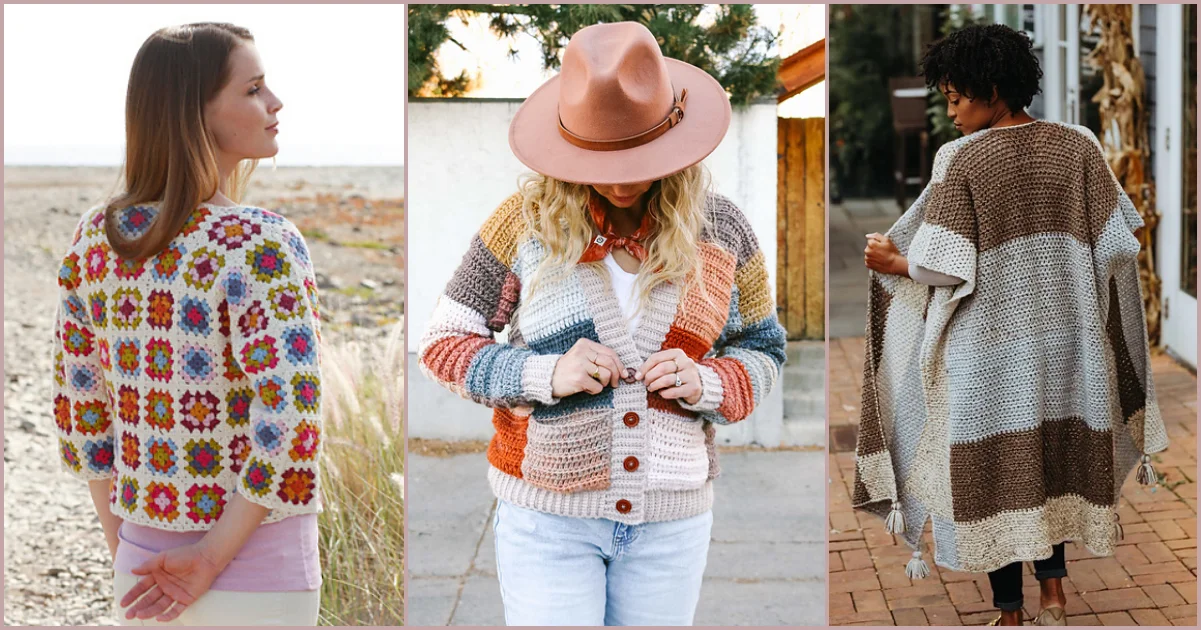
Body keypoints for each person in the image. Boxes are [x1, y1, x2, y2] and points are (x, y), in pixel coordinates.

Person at [418, 21, 787, 627]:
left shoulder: (722, 231)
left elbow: (765, 350)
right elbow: (443, 345)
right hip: (547, 520)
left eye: (637, 156)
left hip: (672, 521)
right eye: (600, 156)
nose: (618, 178)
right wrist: (544, 373)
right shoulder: (525, 223)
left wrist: (710, 383)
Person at [853, 24, 1167, 627]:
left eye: (955, 97)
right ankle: (1054, 597)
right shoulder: (1078, 145)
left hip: (989, 353)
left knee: (997, 472)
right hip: (1069, 350)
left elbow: (944, 267)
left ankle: (1010, 612)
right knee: (1050, 463)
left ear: (991, 88)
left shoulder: (961, 158)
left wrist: (895, 261)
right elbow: (1121, 241)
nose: (949, 112)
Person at [51, 23, 323, 625]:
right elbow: (291, 420)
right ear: (191, 113)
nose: (274, 103)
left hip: (142, 569)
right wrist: (208, 557)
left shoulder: (98, 240)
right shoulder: (259, 242)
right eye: (252, 89)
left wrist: (123, 547)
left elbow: (82, 412)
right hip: (262, 571)